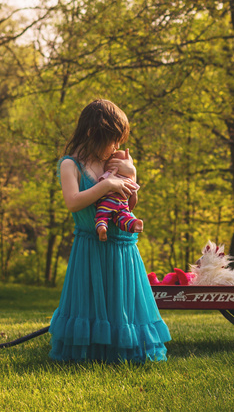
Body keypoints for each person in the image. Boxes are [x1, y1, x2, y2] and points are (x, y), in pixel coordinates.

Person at [49, 99, 170, 363]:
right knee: (91, 302)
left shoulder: (114, 161)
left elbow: (129, 203)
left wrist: (132, 176)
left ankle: (122, 351)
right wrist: (105, 186)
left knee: (122, 305)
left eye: (119, 141)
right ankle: (89, 352)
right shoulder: (70, 164)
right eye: (111, 140)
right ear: (92, 133)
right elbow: (73, 202)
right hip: (90, 245)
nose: (116, 147)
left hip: (122, 246)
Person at [94, 150, 143, 242]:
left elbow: (99, 187)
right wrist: (129, 209)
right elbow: (134, 195)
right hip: (122, 204)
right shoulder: (129, 180)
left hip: (107, 202)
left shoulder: (108, 174)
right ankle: (134, 224)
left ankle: (102, 228)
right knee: (124, 217)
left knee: (102, 216)